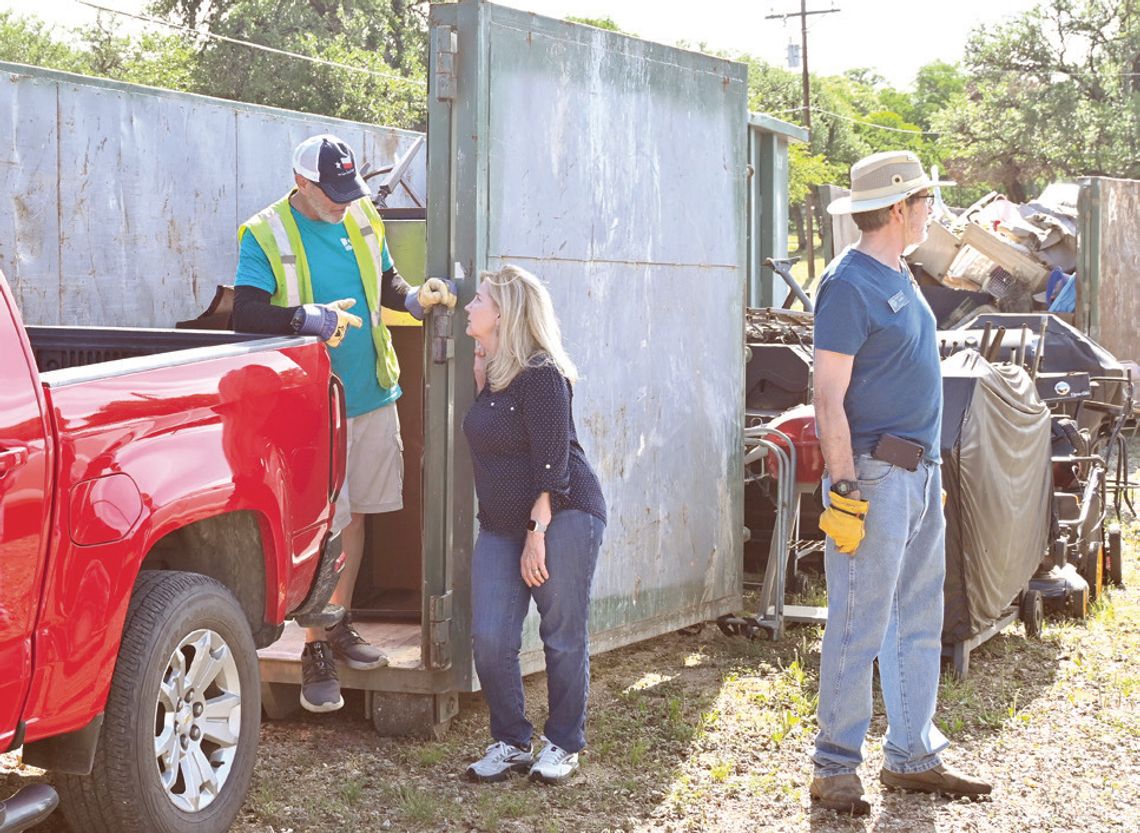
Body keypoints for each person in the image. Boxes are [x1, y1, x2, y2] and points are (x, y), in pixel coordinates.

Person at [231, 133, 455, 713]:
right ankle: (314, 649)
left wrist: (414, 300)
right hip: (309, 405)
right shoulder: (264, 232)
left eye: (348, 190)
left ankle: (339, 624)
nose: (342, 202)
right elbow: (246, 313)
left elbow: (385, 282)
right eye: (331, 192)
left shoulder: (361, 217)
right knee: (327, 523)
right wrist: (309, 318)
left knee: (355, 521)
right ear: (301, 182)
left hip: (370, 393)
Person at [810, 151, 992, 814]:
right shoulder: (847, 284)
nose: (929, 212)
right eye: (923, 202)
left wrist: (927, 475)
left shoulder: (900, 273)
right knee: (859, 620)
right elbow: (828, 397)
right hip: (874, 476)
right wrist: (847, 484)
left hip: (914, 476)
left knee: (918, 617)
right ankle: (834, 766)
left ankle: (911, 753)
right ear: (896, 208)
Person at [460, 265, 607, 785]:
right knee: (489, 637)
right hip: (502, 523)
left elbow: (553, 464)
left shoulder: (542, 373)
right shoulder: (496, 372)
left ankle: (563, 744)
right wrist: (482, 380)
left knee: (562, 634)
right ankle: (511, 741)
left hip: (561, 513)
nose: (468, 307)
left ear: (503, 313)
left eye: (478, 299)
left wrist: (536, 534)